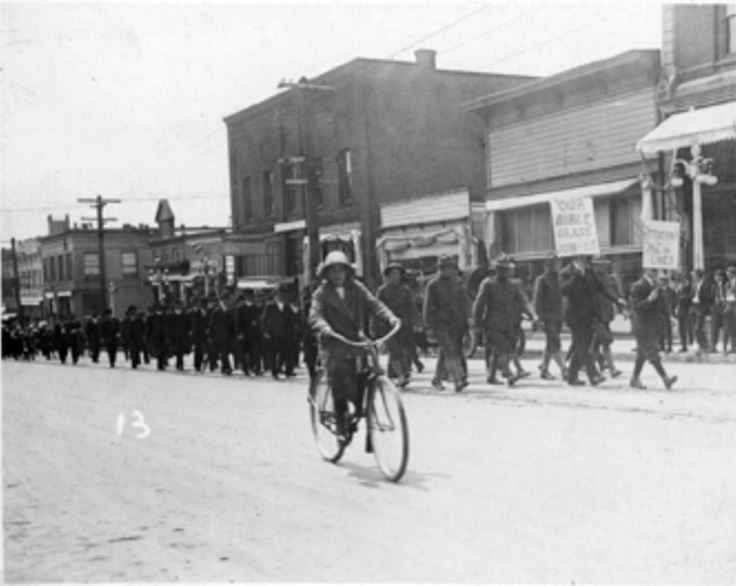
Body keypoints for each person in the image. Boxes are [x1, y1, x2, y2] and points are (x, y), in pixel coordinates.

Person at [309, 250, 399, 441]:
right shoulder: (321, 294)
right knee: (339, 384)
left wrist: (390, 317)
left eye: (341, 270)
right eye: (333, 271)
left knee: (363, 380)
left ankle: (360, 408)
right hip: (334, 344)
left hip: (356, 341)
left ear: (347, 272)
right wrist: (324, 328)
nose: (337, 275)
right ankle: (341, 425)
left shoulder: (357, 288)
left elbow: (374, 304)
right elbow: (314, 315)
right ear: (326, 273)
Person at [560, 255, 624, 386]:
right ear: (575, 259)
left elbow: (602, 288)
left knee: (581, 345)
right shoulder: (566, 272)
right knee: (583, 345)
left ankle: (572, 376)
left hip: (590, 314)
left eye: (585, 258)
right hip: (575, 316)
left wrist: (616, 299)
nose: (584, 261)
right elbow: (564, 290)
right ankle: (593, 375)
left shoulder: (589, 271)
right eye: (581, 258)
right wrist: (577, 276)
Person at [473, 254, 536, 387]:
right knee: (502, 347)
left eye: (507, 269)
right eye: (503, 269)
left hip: (509, 323)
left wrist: (532, 314)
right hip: (492, 323)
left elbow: (524, 301)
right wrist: (476, 323)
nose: (506, 272)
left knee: (499, 350)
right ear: (497, 269)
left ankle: (491, 375)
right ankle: (508, 373)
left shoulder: (513, 285)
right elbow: (479, 304)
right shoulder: (488, 284)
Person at [423, 255, 469, 392]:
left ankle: (437, 379)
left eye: (450, 267)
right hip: (440, 324)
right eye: (445, 268)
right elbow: (427, 306)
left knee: (446, 352)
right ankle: (458, 379)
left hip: (456, 323)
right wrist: (428, 327)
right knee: (450, 350)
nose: (448, 270)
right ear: (440, 269)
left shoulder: (457, 283)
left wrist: (468, 318)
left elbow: (465, 302)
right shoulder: (433, 285)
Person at [629, 268, 678, 390]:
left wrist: (669, 317)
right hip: (641, 325)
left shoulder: (657, 286)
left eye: (657, 270)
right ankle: (665, 378)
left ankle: (634, 378)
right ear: (646, 270)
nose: (656, 273)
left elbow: (662, 304)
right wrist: (649, 300)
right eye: (653, 270)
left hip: (653, 325)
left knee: (642, 353)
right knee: (652, 352)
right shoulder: (637, 286)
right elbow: (636, 308)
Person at [376, 262, 415, 387]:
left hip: (404, 326)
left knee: (404, 351)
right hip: (387, 327)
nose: (395, 277)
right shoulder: (382, 291)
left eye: (397, 274)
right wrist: (376, 327)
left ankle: (400, 373)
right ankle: (400, 376)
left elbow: (411, 307)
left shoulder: (405, 291)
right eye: (392, 274)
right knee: (394, 351)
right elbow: (376, 309)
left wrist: (414, 322)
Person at [533, 253, 567, 380]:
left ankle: (544, 368)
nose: (558, 265)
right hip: (547, 316)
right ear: (548, 265)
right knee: (555, 342)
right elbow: (537, 300)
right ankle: (564, 368)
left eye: (559, 263)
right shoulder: (542, 280)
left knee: (550, 343)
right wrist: (539, 318)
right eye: (555, 263)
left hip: (558, 316)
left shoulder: (560, 279)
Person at [261, 287, 291, 379]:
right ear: (275, 296)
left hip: (283, 333)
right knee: (272, 353)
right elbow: (263, 320)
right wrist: (265, 331)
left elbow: (289, 320)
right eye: (279, 295)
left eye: (282, 295)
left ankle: (279, 368)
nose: (281, 297)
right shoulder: (270, 306)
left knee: (283, 353)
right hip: (272, 333)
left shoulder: (286, 307)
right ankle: (274, 370)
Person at [710, 270, 729, 353]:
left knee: (726, 328)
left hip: (725, 307)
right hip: (716, 308)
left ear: (722, 277)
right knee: (714, 328)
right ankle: (713, 346)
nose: (716, 277)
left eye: (718, 276)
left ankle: (725, 347)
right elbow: (711, 298)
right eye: (715, 276)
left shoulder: (727, 285)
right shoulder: (713, 286)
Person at [674, 273, 692, 352]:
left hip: (686, 309)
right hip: (680, 309)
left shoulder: (689, 286)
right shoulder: (679, 286)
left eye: (681, 278)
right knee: (681, 328)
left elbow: (689, 297)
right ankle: (683, 345)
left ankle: (687, 343)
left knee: (686, 328)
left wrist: (681, 298)